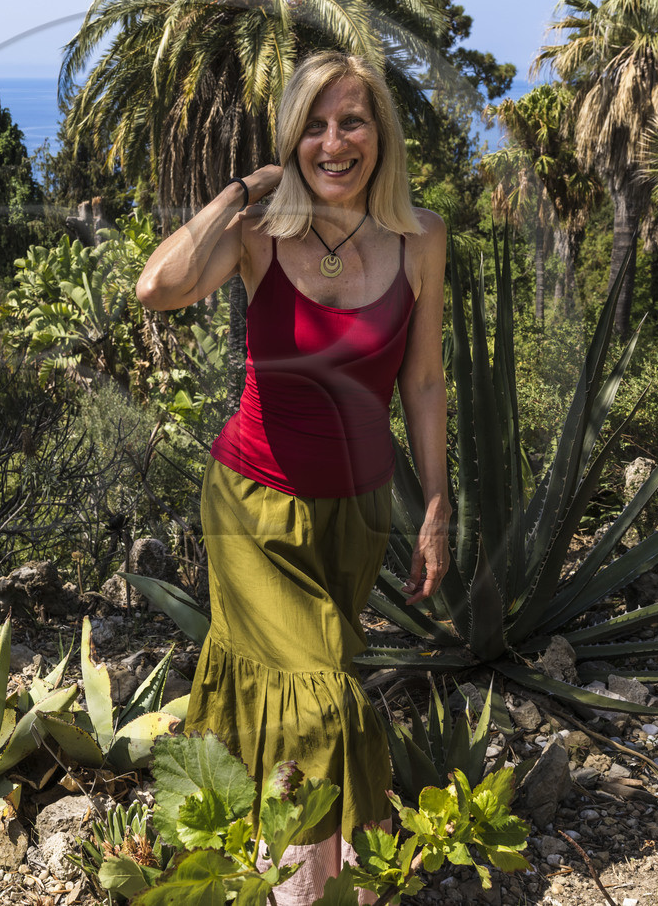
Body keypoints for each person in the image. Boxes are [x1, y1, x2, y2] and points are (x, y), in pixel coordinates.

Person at [135, 50, 452, 904]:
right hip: (250, 505)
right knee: (318, 703)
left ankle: (234, 870)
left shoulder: (422, 238)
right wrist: (246, 185)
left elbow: (422, 381)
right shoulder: (259, 232)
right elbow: (157, 285)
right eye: (313, 124)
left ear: (379, 132)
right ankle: (319, 891)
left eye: (351, 120)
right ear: (291, 138)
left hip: (354, 516)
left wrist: (437, 500)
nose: (333, 141)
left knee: (284, 697)